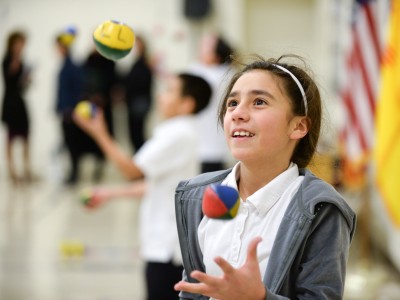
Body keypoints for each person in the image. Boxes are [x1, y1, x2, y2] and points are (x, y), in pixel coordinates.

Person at [174, 55, 356, 300]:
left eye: (259, 102)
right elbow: (193, 292)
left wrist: (259, 298)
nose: (238, 113)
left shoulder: (320, 208)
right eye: (232, 103)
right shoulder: (197, 195)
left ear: (298, 126)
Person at [73, 73, 212, 300]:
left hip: (166, 248)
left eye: (169, 91)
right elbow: (158, 186)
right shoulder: (184, 132)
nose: (160, 96)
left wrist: (99, 132)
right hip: (167, 246)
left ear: (187, 104)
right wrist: (110, 193)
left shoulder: (177, 134)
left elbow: (132, 171)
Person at [189, 33, 235, 173]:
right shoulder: (198, 69)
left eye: (207, 45)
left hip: (212, 146)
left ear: (216, 54)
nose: (200, 47)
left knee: (210, 186)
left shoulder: (225, 74)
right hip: (199, 143)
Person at [1, 30, 32, 184]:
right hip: (10, 103)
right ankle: (12, 172)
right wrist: (14, 67)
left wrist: (26, 79)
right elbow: (8, 80)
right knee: (11, 139)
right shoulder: (7, 60)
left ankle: (27, 170)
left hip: (20, 101)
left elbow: (22, 87)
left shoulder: (22, 60)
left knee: (26, 137)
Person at [124, 34, 153, 152]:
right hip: (133, 102)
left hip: (139, 103)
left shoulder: (144, 64)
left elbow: (140, 84)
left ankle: (141, 161)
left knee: (137, 134)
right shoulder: (137, 63)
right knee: (134, 134)